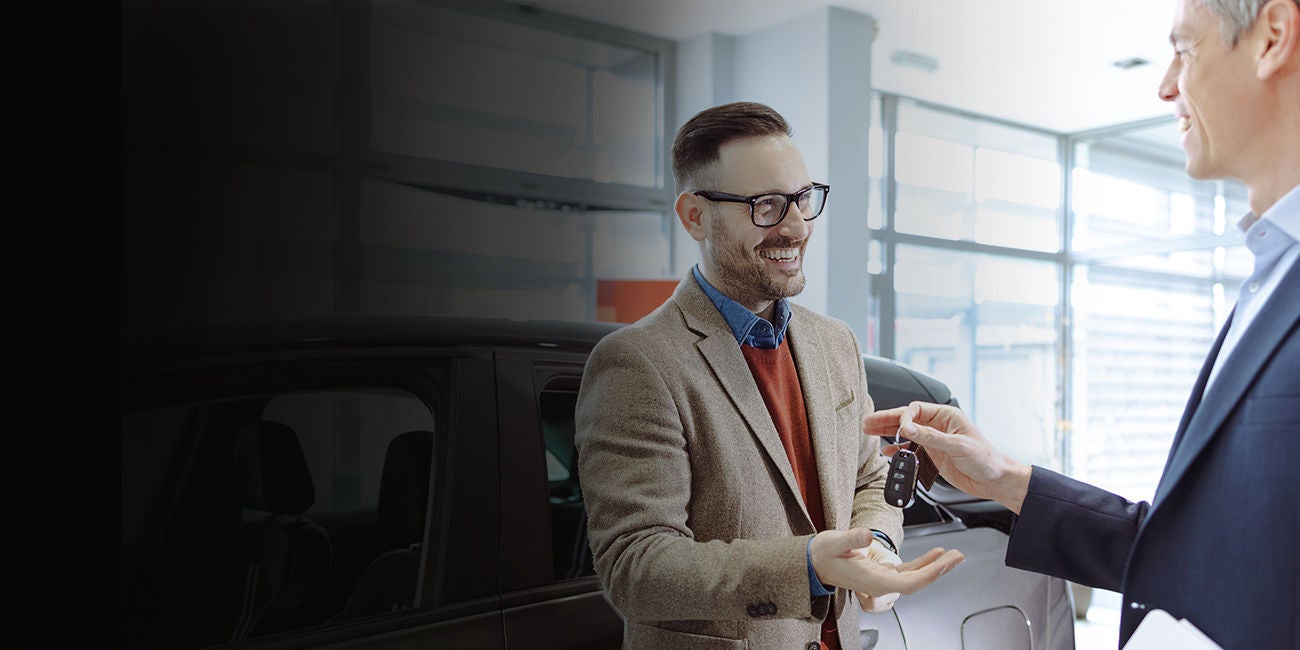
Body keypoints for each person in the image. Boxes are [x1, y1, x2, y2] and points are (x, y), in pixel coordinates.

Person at [865, 1, 1300, 648]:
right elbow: (1191, 550)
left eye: (1185, 47)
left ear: (1271, 36)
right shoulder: (1269, 274)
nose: (1165, 83)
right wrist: (1001, 477)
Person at [575, 101, 965, 649]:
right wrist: (807, 564)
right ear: (695, 216)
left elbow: (869, 478)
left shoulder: (836, 343)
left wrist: (875, 542)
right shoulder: (639, 362)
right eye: (766, 205)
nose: (796, 227)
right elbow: (635, 564)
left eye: (803, 199)